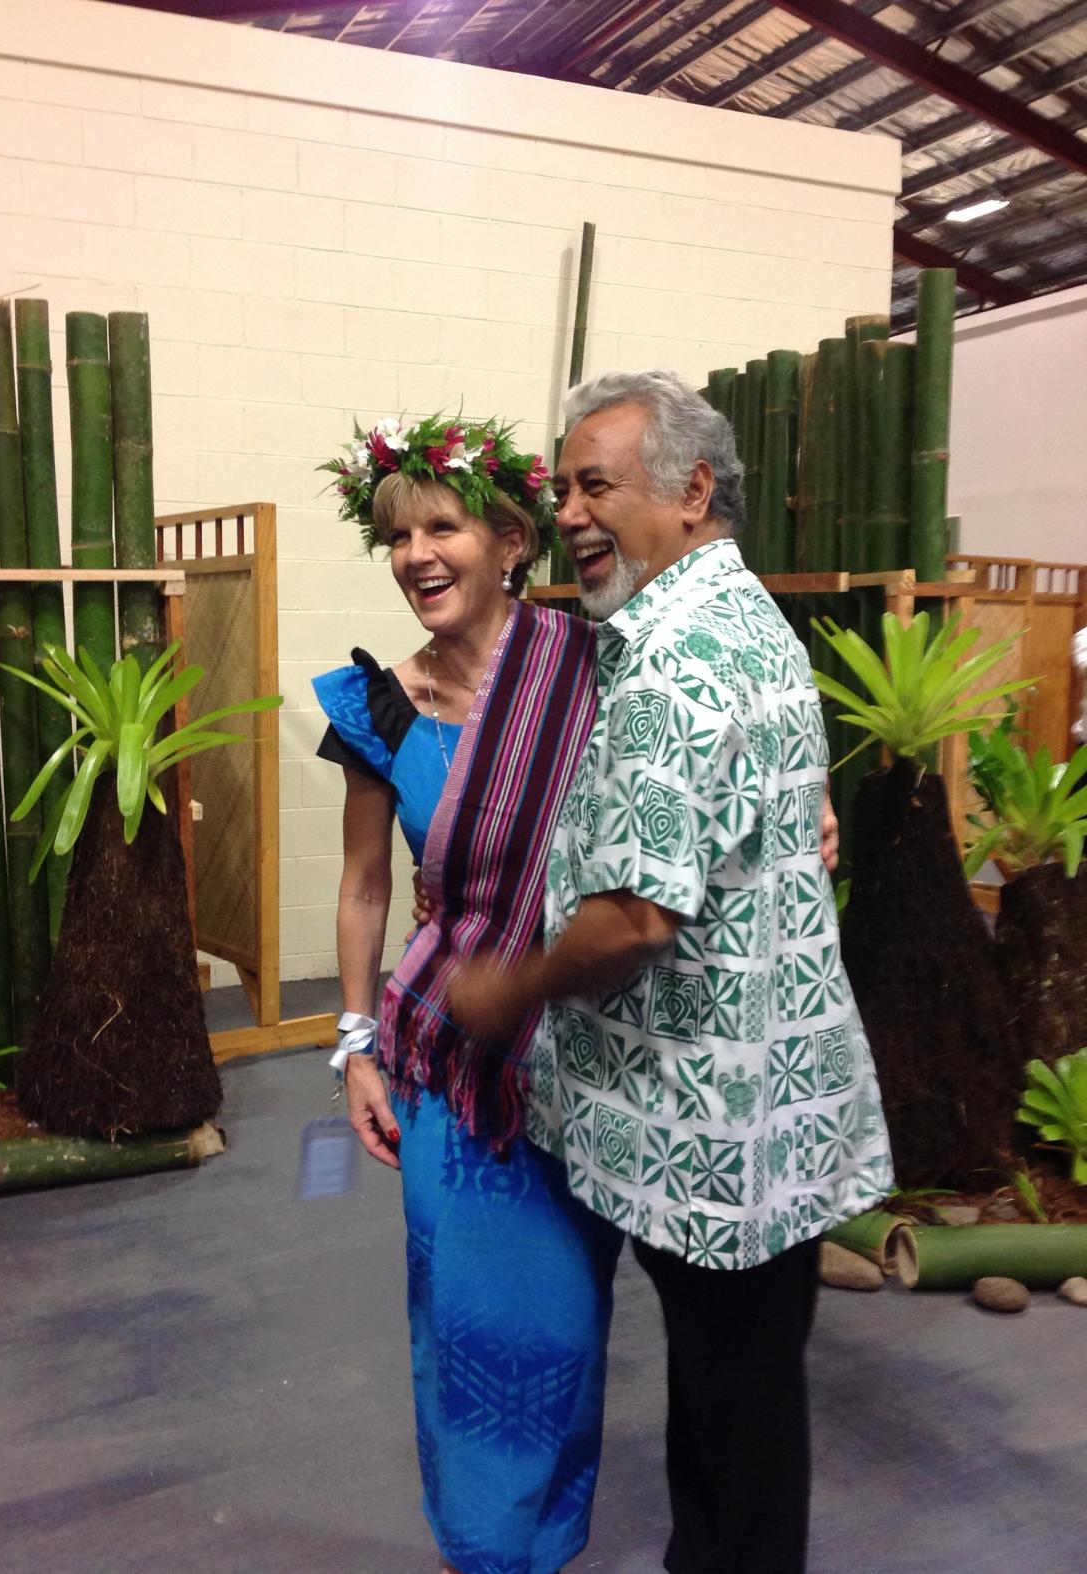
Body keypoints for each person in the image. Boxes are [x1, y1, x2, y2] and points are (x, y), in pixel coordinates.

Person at [450, 370, 894, 1574]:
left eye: (598, 484)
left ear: (693, 490)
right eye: (562, 490)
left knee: (738, 1434)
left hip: (710, 1130)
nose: (574, 513)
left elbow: (636, 918)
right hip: (768, 1111)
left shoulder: (669, 662)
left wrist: (510, 990)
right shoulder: (744, 620)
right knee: (734, 1416)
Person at [312, 414, 623, 1574]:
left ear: (507, 538)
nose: (414, 554)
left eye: (439, 525)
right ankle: (483, 1549)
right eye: (396, 535)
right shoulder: (379, 706)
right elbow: (360, 888)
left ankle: (546, 1537)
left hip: (585, 1058)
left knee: (564, 1320)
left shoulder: (595, 661)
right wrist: (354, 1047)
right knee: (469, 1317)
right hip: (451, 1059)